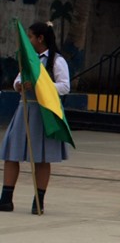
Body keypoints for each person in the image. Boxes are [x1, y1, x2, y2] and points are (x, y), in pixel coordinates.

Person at [0, 21, 70, 214]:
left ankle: (38, 200)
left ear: (40, 38)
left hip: (44, 111)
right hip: (25, 109)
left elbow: (65, 86)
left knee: (42, 157)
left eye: (31, 37)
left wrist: (40, 85)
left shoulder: (56, 61)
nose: (28, 40)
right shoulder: (28, 59)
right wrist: (19, 85)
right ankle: (6, 198)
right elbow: (18, 79)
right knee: (11, 153)